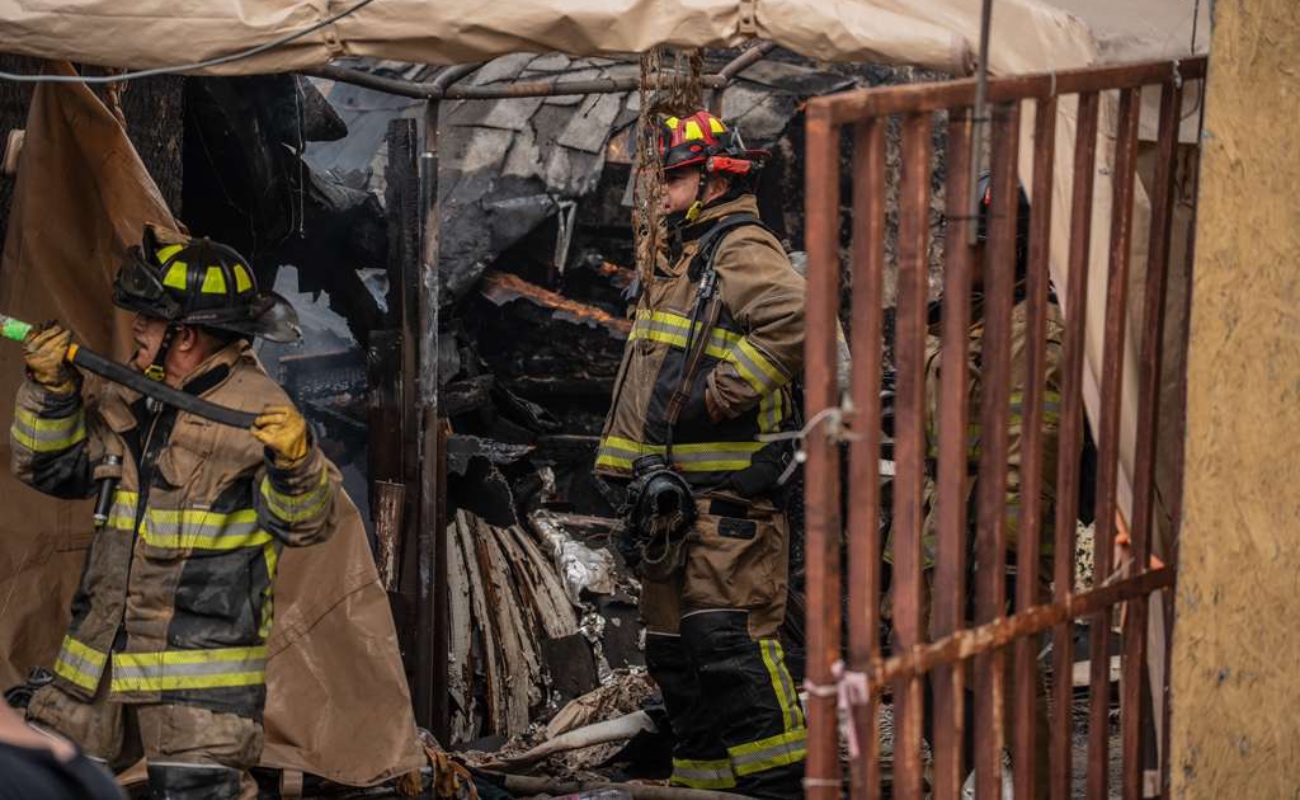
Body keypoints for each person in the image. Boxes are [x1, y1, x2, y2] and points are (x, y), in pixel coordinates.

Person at [11, 228, 340, 799]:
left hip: (198, 687)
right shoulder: (134, 397)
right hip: (97, 666)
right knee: (49, 785)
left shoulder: (260, 412)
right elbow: (53, 470)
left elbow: (307, 522)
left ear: (184, 336)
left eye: (149, 320)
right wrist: (53, 390)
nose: (136, 328)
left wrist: (296, 463)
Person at [596, 110, 807, 799]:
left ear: (715, 181)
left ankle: (779, 788)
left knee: (729, 652)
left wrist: (722, 393)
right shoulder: (684, 260)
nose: (658, 188)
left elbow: (800, 319)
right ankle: (704, 787)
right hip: (674, 506)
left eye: (674, 175)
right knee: (678, 660)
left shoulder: (739, 247)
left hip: (728, 503)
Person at [886, 175, 1062, 791]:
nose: (958, 256)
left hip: (989, 546)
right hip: (943, 533)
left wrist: (1005, 559)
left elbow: (1031, 450)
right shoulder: (975, 323)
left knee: (1003, 690)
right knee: (944, 687)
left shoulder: (1033, 331)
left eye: (974, 243)